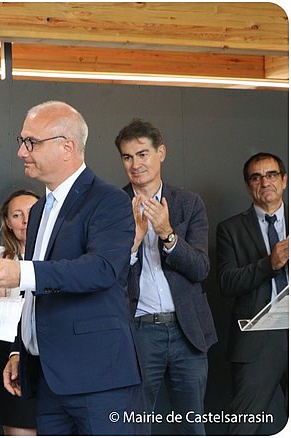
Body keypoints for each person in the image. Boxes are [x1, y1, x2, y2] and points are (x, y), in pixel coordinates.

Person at [0, 101, 144, 435]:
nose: (22, 151)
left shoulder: (108, 200)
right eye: (22, 141)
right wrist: (20, 349)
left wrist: (21, 273)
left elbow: (102, 269)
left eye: (31, 142)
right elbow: (35, 294)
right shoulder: (38, 212)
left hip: (98, 380)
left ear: (67, 147)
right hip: (47, 379)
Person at [114, 119, 217, 434]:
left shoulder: (188, 203)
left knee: (192, 427)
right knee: (135, 426)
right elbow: (106, 277)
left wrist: (167, 235)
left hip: (187, 331)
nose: (136, 164)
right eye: (128, 157)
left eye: (143, 154)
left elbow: (200, 268)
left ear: (161, 153)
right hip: (138, 332)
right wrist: (132, 242)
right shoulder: (111, 206)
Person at [216, 152, 288, 435]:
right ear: (248, 186)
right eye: (256, 177)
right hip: (258, 339)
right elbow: (226, 282)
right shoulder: (230, 229)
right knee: (245, 428)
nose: (265, 182)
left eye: (271, 175)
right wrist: (269, 263)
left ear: (284, 180)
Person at [0, 189, 40, 436]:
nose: (26, 221)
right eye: (17, 215)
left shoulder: (65, 258)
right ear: (7, 222)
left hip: (55, 359)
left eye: (32, 213)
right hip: (12, 357)